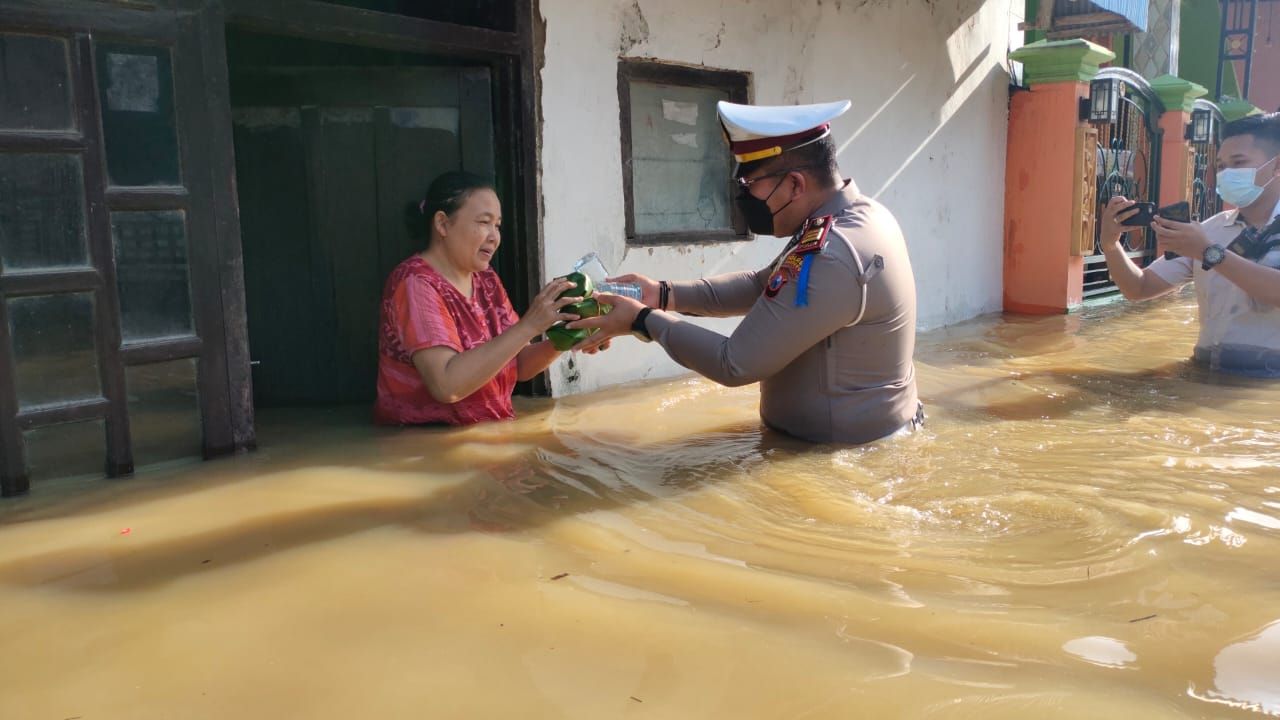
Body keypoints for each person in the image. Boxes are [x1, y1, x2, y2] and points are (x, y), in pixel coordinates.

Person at [571, 100, 921, 444]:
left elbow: (734, 364)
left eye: (749, 185)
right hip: (839, 445)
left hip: (844, 458)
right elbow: (762, 284)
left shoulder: (833, 253)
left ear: (795, 185)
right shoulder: (851, 219)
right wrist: (662, 294)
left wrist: (641, 320)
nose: (744, 197)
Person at [374, 171, 600, 426]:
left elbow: (520, 364)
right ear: (442, 224)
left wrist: (569, 334)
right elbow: (446, 385)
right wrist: (530, 325)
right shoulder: (415, 284)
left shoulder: (486, 280)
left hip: (487, 438)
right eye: (484, 222)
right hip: (427, 448)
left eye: (497, 225)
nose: (494, 236)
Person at [1100, 113, 1280, 376]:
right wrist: (1111, 245)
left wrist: (1208, 253)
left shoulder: (1204, 241)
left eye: (1238, 163)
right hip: (1205, 374)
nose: (1227, 173)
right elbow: (1139, 288)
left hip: (1266, 386)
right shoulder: (1211, 230)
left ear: (1276, 167)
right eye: (1220, 166)